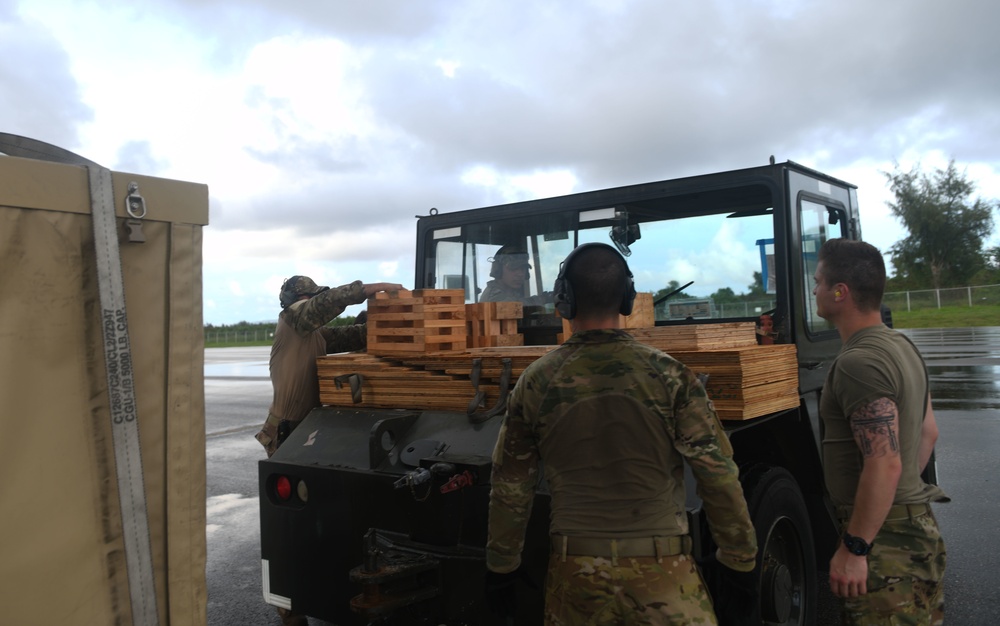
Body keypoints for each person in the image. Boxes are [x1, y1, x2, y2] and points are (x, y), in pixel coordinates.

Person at [484, 242, 758, 625]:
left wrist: (501, 569)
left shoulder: (535, 382)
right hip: (665, 575)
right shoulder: (671, 375)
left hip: (576, 577)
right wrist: (740, 563)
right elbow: (718, 475)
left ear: (565, 300)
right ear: (627, 299)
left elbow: (511, 486)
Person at [813, 238, 948, 625]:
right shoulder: (902, 346)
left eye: (819, 281)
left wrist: (856, 547)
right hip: (915, 528)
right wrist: (901, 495)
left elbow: (884, 462)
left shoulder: (859, 362)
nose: (815, 289)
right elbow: (928, 434)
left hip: (885, 546)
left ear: (841, 293)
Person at [256, 275, 401, 626]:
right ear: (294, 300)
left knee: (324, 519)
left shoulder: (314, 334)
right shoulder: (293, 321)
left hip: (313, 433)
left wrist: (377, 321)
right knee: (291, 528)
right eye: (307, 298)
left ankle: (327, 587)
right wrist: (369, 288)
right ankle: (290, 607)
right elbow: (322, 306)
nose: (310, 304)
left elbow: (350, 336)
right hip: (288, 434)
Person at [480, 244, 550, 305]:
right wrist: (543, 299)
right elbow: (517, 306)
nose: (520, 274)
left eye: (523, 268)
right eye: (513, 268)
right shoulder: (495, 297)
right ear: (498, 270)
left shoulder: (510, 293)